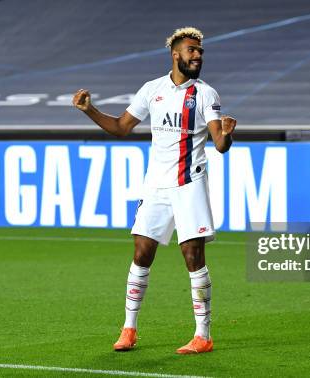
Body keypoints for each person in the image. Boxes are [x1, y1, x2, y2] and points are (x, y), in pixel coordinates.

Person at [73, 26, 236, 354]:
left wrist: (228, 133)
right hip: (156, 186)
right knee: (141, 252)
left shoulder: (206, 94)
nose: (198, 56)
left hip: (190, 183)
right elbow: (121, 127)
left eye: (201, 52)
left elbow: (219, 144)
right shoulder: (152, 90)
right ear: (176, 55)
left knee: (193, 256)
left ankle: (203, 335)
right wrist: (89, 109)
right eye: (192, 51)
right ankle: (129, 329)